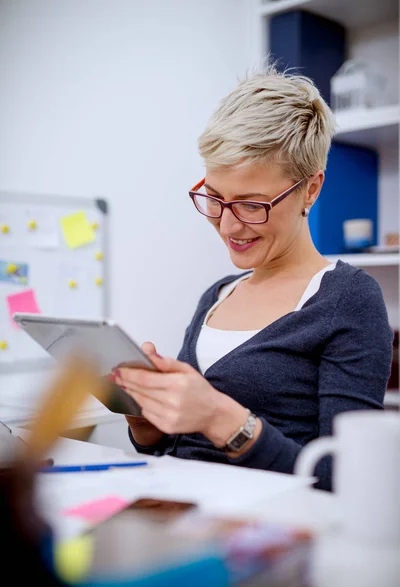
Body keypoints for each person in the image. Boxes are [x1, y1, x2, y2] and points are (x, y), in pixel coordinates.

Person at [115, 66, 393, 491]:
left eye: (250, 204)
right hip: (184, 510)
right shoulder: (218, 294)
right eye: (215, 198)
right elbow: (176, 451)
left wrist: (222, 419)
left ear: (311, 189)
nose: (228, 226)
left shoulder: (348, 299)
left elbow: (346, 478)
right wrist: (146, 419)